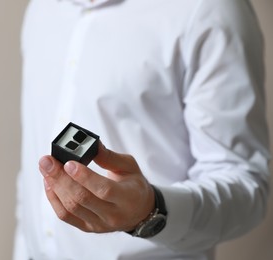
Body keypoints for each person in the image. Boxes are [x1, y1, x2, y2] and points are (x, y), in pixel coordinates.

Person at [14, 0, 271, 259]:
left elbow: (246, 185)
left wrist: (151, 211)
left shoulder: (210, 9)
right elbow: (32, 158)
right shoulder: (42, 7)